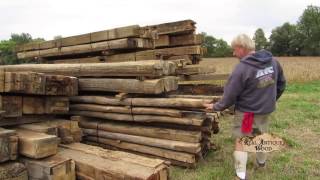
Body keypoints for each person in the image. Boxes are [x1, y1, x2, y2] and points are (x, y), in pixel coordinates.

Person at [203, 34, 286, 180]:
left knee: (242, 140)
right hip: (265, 110)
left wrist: (216, 106)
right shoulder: (273, 62)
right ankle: (262, 164)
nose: (234, 53)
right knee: (260, 135)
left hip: (248, 114)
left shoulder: (243, 68)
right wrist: (270, 100)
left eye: (234, 50)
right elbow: (281, 84)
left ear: (242, 48)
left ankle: (240, 176)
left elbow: (230, 96)